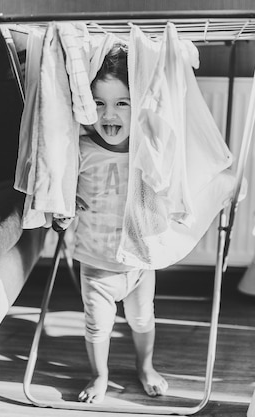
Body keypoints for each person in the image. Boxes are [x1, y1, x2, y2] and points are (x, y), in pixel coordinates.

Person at [53, 43, 169, 404]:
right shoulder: (82, 150)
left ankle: (145, 365)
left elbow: (167, 185)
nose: (109, 113)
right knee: (96, 326)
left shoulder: (145, 150)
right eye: (99, 103)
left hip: (138, 262)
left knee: (142, 319)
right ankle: (99, 375)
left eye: (122, 103)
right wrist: (65, 202)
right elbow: (59, 187)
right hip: (95, 264)